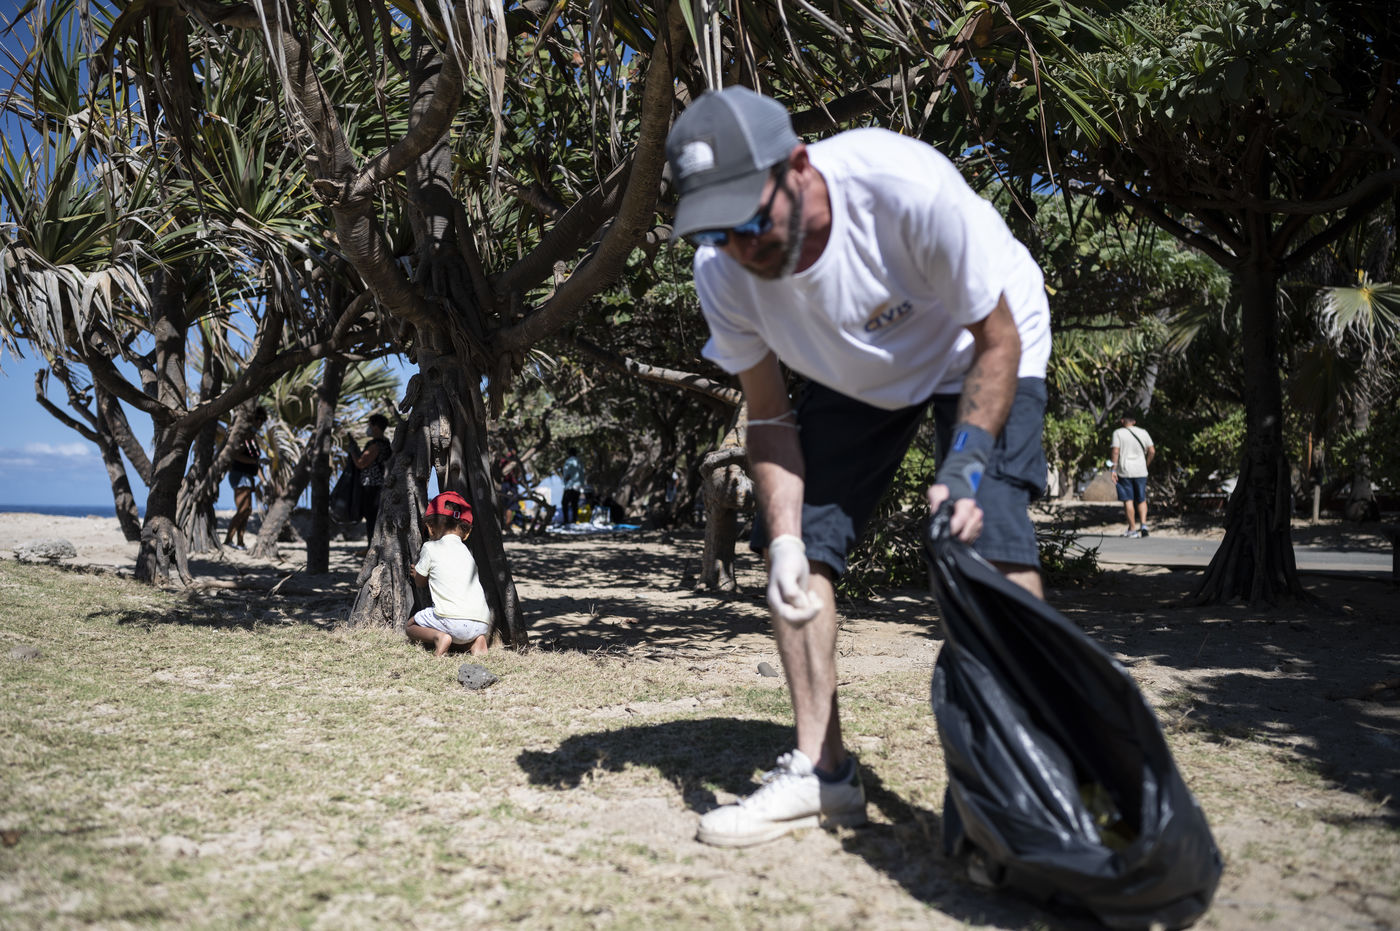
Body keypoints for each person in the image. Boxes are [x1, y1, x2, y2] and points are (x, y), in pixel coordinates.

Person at [665, 87, 1052, 847]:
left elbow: (997, 338)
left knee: (989, 535)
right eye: (717, 230)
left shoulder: (902, 189)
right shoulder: (723, 272)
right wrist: (784, 541)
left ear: (798, 167)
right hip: (855, 371)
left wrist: (969, 464)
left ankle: (1024, 774)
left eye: (751, 219)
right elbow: (768, 414)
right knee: (798, 549)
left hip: (979, 343)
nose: (741, 246)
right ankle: (823, 773)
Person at [407, 492, 492, 657]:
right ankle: (477, 641)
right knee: (464, 629)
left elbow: (420, 583)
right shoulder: (467, 553)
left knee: (410, 626)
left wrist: (416, 573)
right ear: (466, 533)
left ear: (430, 527)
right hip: (481, 623)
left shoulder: (430, 547)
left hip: (451, 621)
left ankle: (439, 637)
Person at [224, 405, 268, 551]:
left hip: (249, 476)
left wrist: (264, 481)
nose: (259, 422)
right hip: (240, 474)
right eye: (257, 418)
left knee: (247, 510)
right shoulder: (245, 436)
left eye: (262, 420)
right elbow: (236, 455)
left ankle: (240, 542)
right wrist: (254, 462)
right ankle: (228, 540)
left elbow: (256, 463)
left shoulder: (253, 439)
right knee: (243, 509)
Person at [1110, 412, 1155, 538]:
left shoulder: (1118, 433)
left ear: (1122, 420)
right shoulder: (1143, 432)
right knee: (1141, 498)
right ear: (1134, 421)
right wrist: (1146, 464)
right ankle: (1144, 525)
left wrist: (1113, 469)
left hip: (1125, 470)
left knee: (1128, 499)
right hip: (1141, 470)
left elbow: (1115, 451)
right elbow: (1152, 451)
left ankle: (1133, 529)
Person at [349, 414, 392, 543]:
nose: (368, 428)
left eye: (370, 425)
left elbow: (361, 463)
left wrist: (353, 452)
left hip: (372, 486)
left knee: (371, 518)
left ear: (375, 427)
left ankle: (371, 545)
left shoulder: (375, 445)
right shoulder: (386, 443)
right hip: (380, 485)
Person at [560, 448, 586, 524]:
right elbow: (582, 474)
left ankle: (566, 520)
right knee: (574, 504)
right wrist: (582, 485)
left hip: (570, 486)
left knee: (564, 503)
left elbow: (567, 474)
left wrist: (565, 480)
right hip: (578, 486)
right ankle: (574, 520)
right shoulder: (580, 462)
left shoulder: (569, 461)